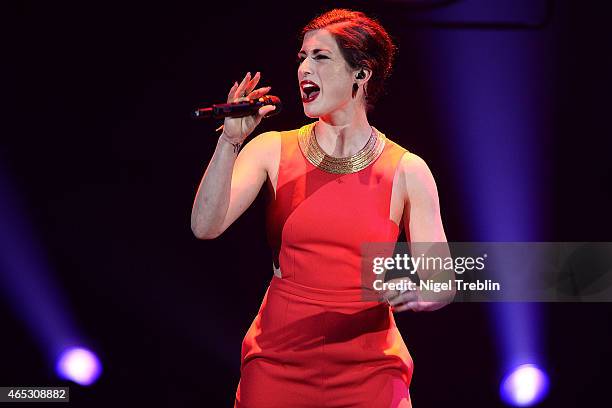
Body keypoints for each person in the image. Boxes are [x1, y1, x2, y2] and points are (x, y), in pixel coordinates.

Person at [191, 8, 453, 407]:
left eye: (320, 57)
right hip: (280, 362)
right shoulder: (272, 149)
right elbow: (204, 226)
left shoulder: (407, 170)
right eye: (301, 58)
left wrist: (419, 292)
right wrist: (229, 142)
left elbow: (443, 281)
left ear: (360, 74)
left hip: (370, 369)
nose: (304, 69)